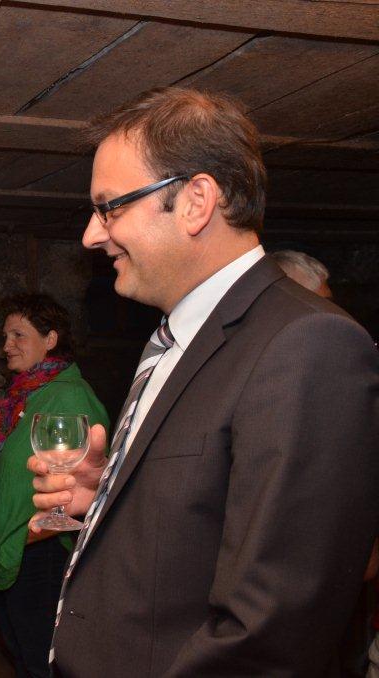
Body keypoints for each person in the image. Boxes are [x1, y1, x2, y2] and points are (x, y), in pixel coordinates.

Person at [27, 87, 378, 676]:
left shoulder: (308, 343)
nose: (91, 234)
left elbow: (270, 636)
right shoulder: (181, 333)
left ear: (195, 202)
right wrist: (108, 499)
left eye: (110, 207)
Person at [0, 294, 107, 678]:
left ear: (50, 339)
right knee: (23, 660)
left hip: (39, 555)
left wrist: (28, 537)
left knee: (41, 664)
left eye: (18, 335)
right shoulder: (25, 395)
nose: (7, 345)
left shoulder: (68, 395)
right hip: (13, 552)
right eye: (5, 336)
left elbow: (76, 488)